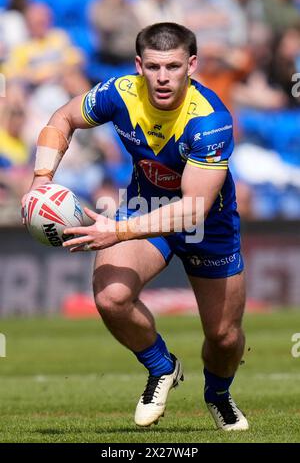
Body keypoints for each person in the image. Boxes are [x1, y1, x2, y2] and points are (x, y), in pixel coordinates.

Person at [23, 23, 249, 431]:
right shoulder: (118, 93)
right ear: (138, 65)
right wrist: (41, 179)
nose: (163, 77)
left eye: (174, 66)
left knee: (224, 337)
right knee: (111, 297)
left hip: (207, 222)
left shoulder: (211, 119)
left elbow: (194, 209)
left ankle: (218, 395)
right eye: (154, 66)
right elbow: (63, 117)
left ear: (191, 65)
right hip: (145, 207)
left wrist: (118, 231)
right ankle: (162, 367)